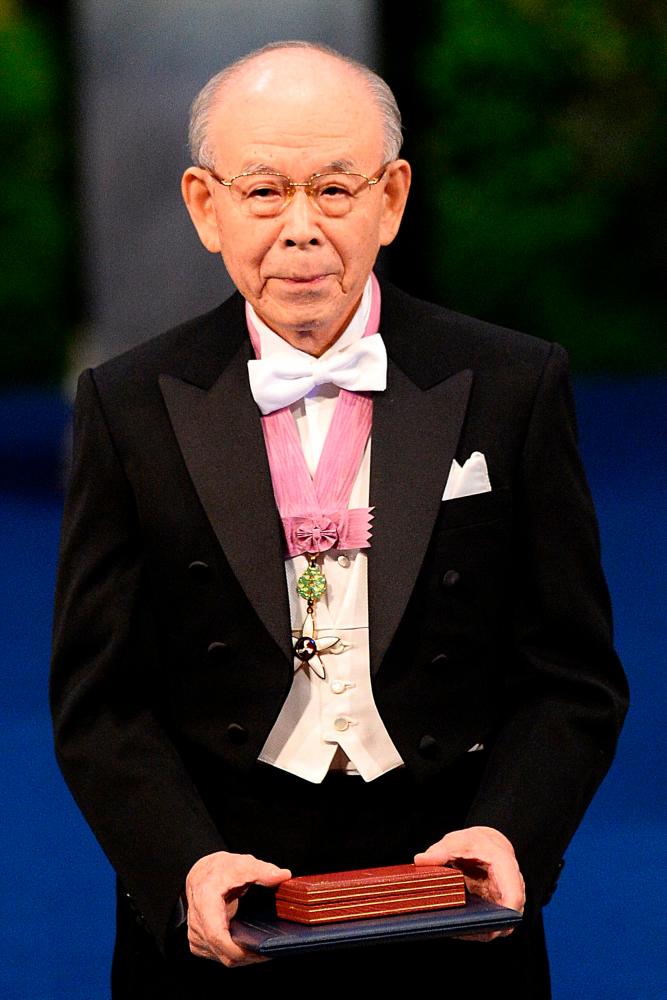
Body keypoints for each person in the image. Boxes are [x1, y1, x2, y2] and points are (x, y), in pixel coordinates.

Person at [50, 40, 628, 999]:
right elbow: (98, 701)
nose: (301, 230)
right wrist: (183, 864)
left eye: (336, 189)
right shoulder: (128, 405)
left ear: (391, 198)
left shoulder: (512, 385)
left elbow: (573, 675)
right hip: (227, 895)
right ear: (205, 205)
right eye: (264, 191)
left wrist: (508, 834)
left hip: (448, 892)